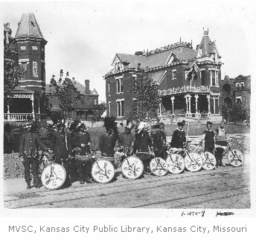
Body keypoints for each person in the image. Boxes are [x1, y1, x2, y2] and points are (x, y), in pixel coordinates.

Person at [19, 122, 48, 189]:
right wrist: (21, 155)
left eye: (29, 126)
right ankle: (28, 183)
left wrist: (46, 149)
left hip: (34, 155)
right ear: (25, 128)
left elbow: (40, 143)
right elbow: (21, 146)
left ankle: (36, 183)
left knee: (35, 169)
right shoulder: (23, 136)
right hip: (26, 155)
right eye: (27, 127)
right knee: (27, 170)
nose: (28, 128)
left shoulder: (35, 135)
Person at [52, 121, 72, 187]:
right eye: (60, 127)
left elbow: (69, 145)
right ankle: (59, 181)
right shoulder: (55, 134)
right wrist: (52, 152)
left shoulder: (67, 135)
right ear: (58, 128)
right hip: (57, 152)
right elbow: (53, 143)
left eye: (62, 127)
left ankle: (66, 180)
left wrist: (69, 153)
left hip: (65, 152)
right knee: (58, 166)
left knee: (66, 167)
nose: (61, 128)